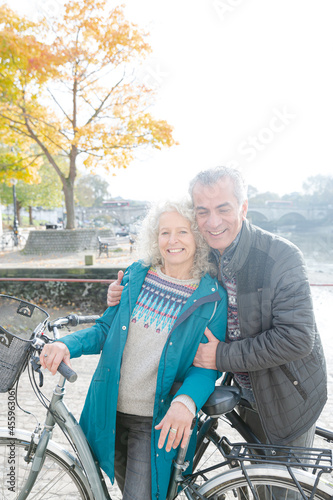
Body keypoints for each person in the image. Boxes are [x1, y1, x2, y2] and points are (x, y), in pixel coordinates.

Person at [108, 166, 327, 456]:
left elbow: (297, 338)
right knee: (258, 479)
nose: (213, 222)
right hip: (246, 391)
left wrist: (221, 356)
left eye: (223, 209)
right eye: (202, 212)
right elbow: (166, 281)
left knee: (281, 487)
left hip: (287, 394)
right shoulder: (204, 254)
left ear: (243, 208)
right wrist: (122, 295)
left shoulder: (280, 256)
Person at [40, 200, 227, 500]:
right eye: (165, 232)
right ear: (155, 237)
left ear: (198, 238)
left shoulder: (212, 298)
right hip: (109, 411)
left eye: (183, 232)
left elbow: (206, 367)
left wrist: (187, 402)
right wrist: (66, 344)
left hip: (155, 424)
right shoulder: (136, 275)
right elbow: (105, 330)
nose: (173, 240)